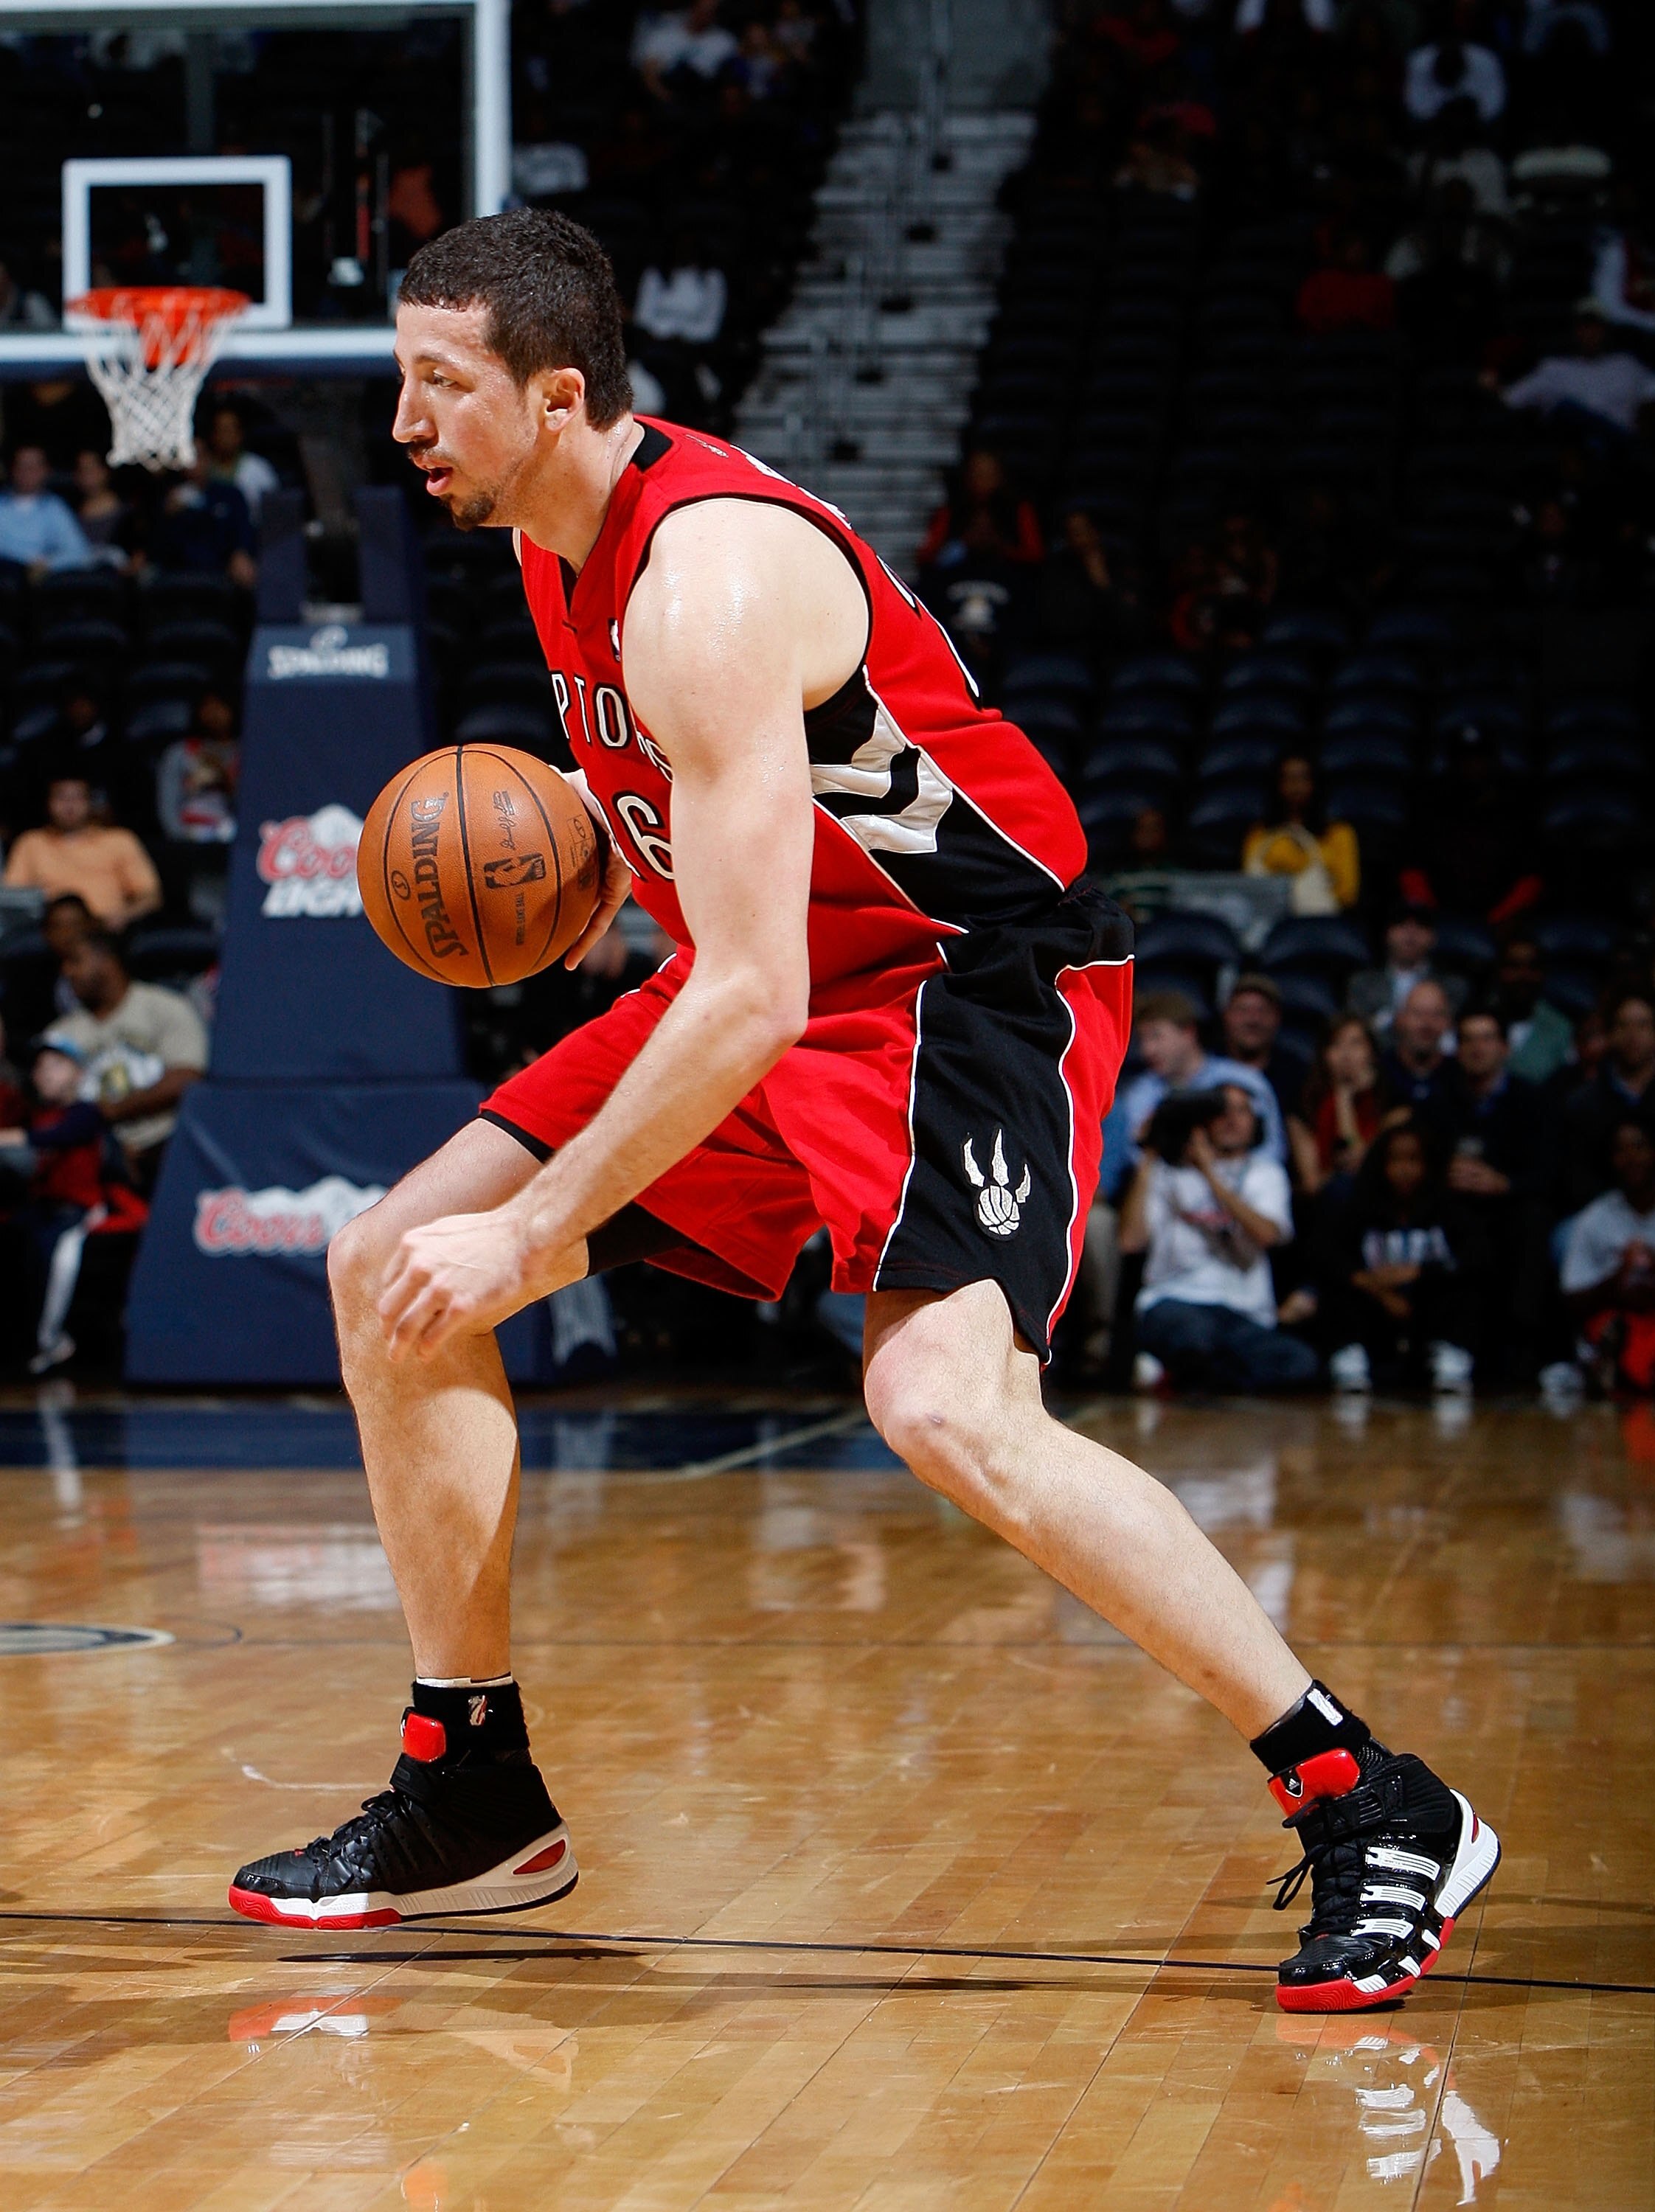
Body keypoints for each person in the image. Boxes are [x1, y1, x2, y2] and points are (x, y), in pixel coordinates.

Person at [225, 208, 1497, 2014]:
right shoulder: (544, 535)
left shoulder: (703, 584)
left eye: (439, 386)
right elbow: (731, 908)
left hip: (963, 980)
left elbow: (756, 992)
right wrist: (604, 860)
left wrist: (536, 1225)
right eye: (401, 380)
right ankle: (471, 1786)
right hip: (787, 967)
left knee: (940, 1402)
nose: (406, 419)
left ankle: (1367, 1792)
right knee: (380, 1267)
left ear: (559, 391)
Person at [1122, 1083, 1317, 1392]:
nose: (1231, 1119)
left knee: (1299, 1362)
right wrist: (1150, 1154)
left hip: (1243, 1314)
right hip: (1176, 1302)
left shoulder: (1266, 1174)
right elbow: (1130, 1242)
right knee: (1193, 1337)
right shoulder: (1167, 1173)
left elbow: (1266, 1235)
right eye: (1221, 1111)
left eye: (1242, 1110)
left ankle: (1182, 1375)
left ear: (1256, 1122)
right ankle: (1208, 1374)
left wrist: (1209, 1173)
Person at [1420, 1007, 1549, 1384]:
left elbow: (1549, 1172)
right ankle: (1455, 1345)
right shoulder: (1438, 1103)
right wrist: (1446, 1176)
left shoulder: (1533, 1101)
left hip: (1514, 1206)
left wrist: (1503, 1183)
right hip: (1456, 1209)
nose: (1478, 1047)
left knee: (1532, 1219)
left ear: (1506, 1047)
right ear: (1457, 1050)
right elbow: (1420, 1167)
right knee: (1453, 1222)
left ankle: (1524, 1348)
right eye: (1468, 1039)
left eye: (1487, 1038)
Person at [1319, 1121, 1476, 1395]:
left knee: (1463, 1292)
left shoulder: (1449, 1208)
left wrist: (1417, 1273)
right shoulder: (1360, 1208)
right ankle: (1350, 1360)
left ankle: (1451, 1359)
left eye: (1414, 1160)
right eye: (1395, 1160)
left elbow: (1475, 1259)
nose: (1404, 1170)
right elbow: (1330, 1256)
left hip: (1429, 1308)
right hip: (1376, 1308)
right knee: (1340, 1292)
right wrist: (1376, 1288)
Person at [46, 931, 209, 1190]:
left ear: (107, 961)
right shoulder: (61, 1033)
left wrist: (109, 1111)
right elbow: (49, 1102)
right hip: (96, 1156)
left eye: (76, 961)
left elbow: (187, 1078)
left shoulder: (164, 1007)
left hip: (169, 1145)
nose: (67, 972)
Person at [1105, 988, 1288, 1200]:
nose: (1148, 1050)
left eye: (1156, 1036)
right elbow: (1134, 1158)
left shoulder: (1244, 1081)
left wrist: (1216, 1167)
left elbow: (1271, 1152)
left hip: (1242, 1194)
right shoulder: (1141, 1094)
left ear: (1188, 1032)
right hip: (1169, 1196)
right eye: (1143, 1040)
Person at [1560, 1119, 1655, 1392]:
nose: (1632, 1158)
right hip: (1617, 1317)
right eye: (1621, 1151)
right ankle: (1607, 1363)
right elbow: (1572, 1297)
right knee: (1612, 1328)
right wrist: (1618, 1277)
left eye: (1640, 1147)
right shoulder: (1596, 1218)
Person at [3, 775, 162, 930]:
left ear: (91, 803)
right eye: (61, 798)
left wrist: (125, 916)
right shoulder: (30, 842)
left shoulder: (120, 840)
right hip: (50, 929)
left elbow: (150, 896)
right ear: (48, 803)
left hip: (106, 928)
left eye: (78, 798)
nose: (69, 806)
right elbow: (13, 898)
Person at [1493, 306, 1655, 442]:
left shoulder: (1626, 364)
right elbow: (1511, 399)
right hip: (1575, 449)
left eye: (1596, 328)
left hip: (1621, 447)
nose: (1590, 334)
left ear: (1606, 331)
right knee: (1565, 411)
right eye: (1584, 327)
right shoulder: (1554, 368)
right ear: (1575, 331)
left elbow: (1650, 393)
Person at [1561, 990, 1655, 1211]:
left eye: (1643, 1025)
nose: (1633, 1035)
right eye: (1624, 1026)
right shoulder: (1583, 1101)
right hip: (1600, 1212)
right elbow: (1575, 1174)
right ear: (1611, 1034)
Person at [1242, 754, 1360, 913]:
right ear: (1277, 785)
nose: (1296, 786)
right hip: (1269, 918)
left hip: (1320, 917)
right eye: (1288, 779)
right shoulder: (1259, 834)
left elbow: (1348, 894)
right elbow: (1248, 887)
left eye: (1303, 778)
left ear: (1316, 784)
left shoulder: (1340, 833)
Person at [1289, 1014, 1392, 1195]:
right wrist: (1344, 1096)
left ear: (1372, 1053)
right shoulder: (1304, 1107)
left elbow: (1359, 1162)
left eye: (1356, 1044)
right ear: (1324, 1055)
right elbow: (1313, 1185)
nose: (1346, 1054)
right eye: (1336, 1044)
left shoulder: (1390, 1104)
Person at [1347, 903, 1466, 1036]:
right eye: (1401, 924)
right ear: (1387, 934)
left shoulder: (1453, 986)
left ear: (1433, 937)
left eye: (1421, 925)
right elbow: (1356, 1031)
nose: (1411, 932)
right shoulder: (1362, 984)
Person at [916, 449, 1044, 571]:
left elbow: (1035, 555)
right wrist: (964, 544)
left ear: (1000, 476)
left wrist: (1000, 546)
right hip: (957, 579)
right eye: (977, 474)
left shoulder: (1019, 510)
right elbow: (926, 556)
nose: (982, 480)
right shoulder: (951, 511)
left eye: (989, 474)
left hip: (1008, 580)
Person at [148, 449, 257, 587]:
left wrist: (241, 552)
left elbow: (244, 531)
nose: (193, 464)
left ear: (209, 460)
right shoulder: (169, 499)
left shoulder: (230, 495)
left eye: (198, 457)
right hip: (178, 572)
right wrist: (168, 516)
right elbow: (156, 547)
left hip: (221, 569)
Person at [1221, 973, 1305, 1123]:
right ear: (1227, 1016)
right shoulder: (1207, 1071)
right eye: (1243, 1010)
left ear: (1277, 1018)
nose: (1252, 1020)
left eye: (1262, 1011)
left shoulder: (1297, 1075)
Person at [1492, 931, 1573, 1086]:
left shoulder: (1560, 1028)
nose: (1523, 975)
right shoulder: (1478, 1021)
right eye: (1514, 966)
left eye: (1532, 967)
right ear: (1500, 971)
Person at [0, 445, 93, 577]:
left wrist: (48, 564)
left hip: (38, 581)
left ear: (46, 470)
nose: (27, 472)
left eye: (34, 466)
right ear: (12, 469)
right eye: (22, 466)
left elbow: (79, 551)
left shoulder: (55, 508)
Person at [1381, 980, 1456, 1115]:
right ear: (1400, 1020)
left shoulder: (1460, 1076)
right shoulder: (1379, 1072)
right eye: (1418, 1014)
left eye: (1436, 1015)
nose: (1426, 1024)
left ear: (1448, 1022)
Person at [204, 405, 281, 520]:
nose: (226, 436)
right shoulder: (202, 469)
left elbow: (276, 510)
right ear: (213, 435)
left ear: (240, 435)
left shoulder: (258, 468)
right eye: (222, 430)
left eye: (230, 430)